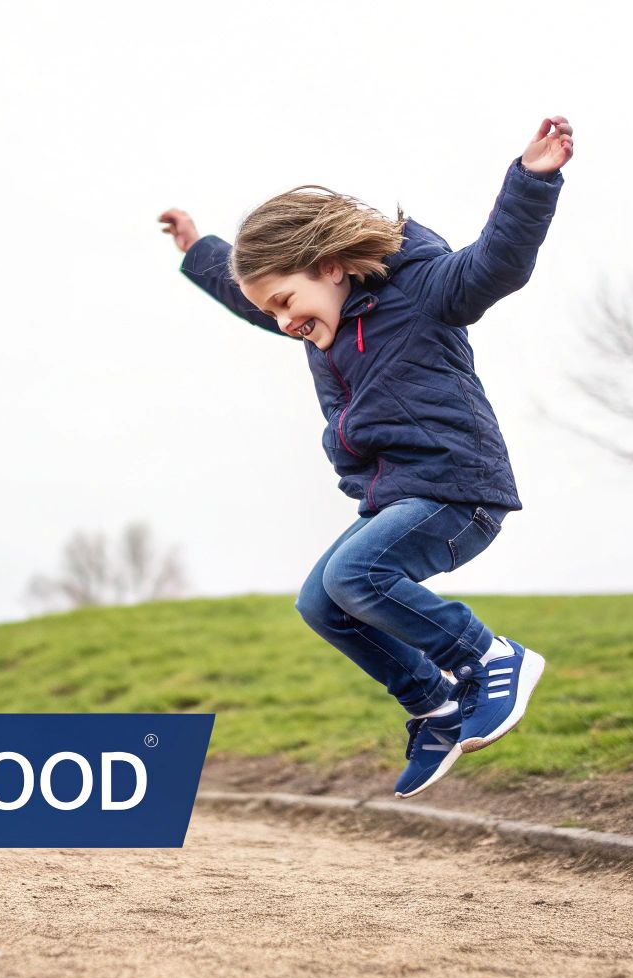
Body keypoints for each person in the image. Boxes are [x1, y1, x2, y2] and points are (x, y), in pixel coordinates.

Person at [158, 117, 574, 799]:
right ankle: (434, 705)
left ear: (330, 266)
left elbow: (495, 263)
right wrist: (201, 248)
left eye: (286, 303)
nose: (284, 322)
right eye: (273, 313)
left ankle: (489, 657)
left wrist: (531, 181)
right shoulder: (318, 316)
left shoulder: (422, 288)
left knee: (357, 574)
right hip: (399, 496)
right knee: (321, 602)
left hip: (456, 489)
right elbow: (253, 297)